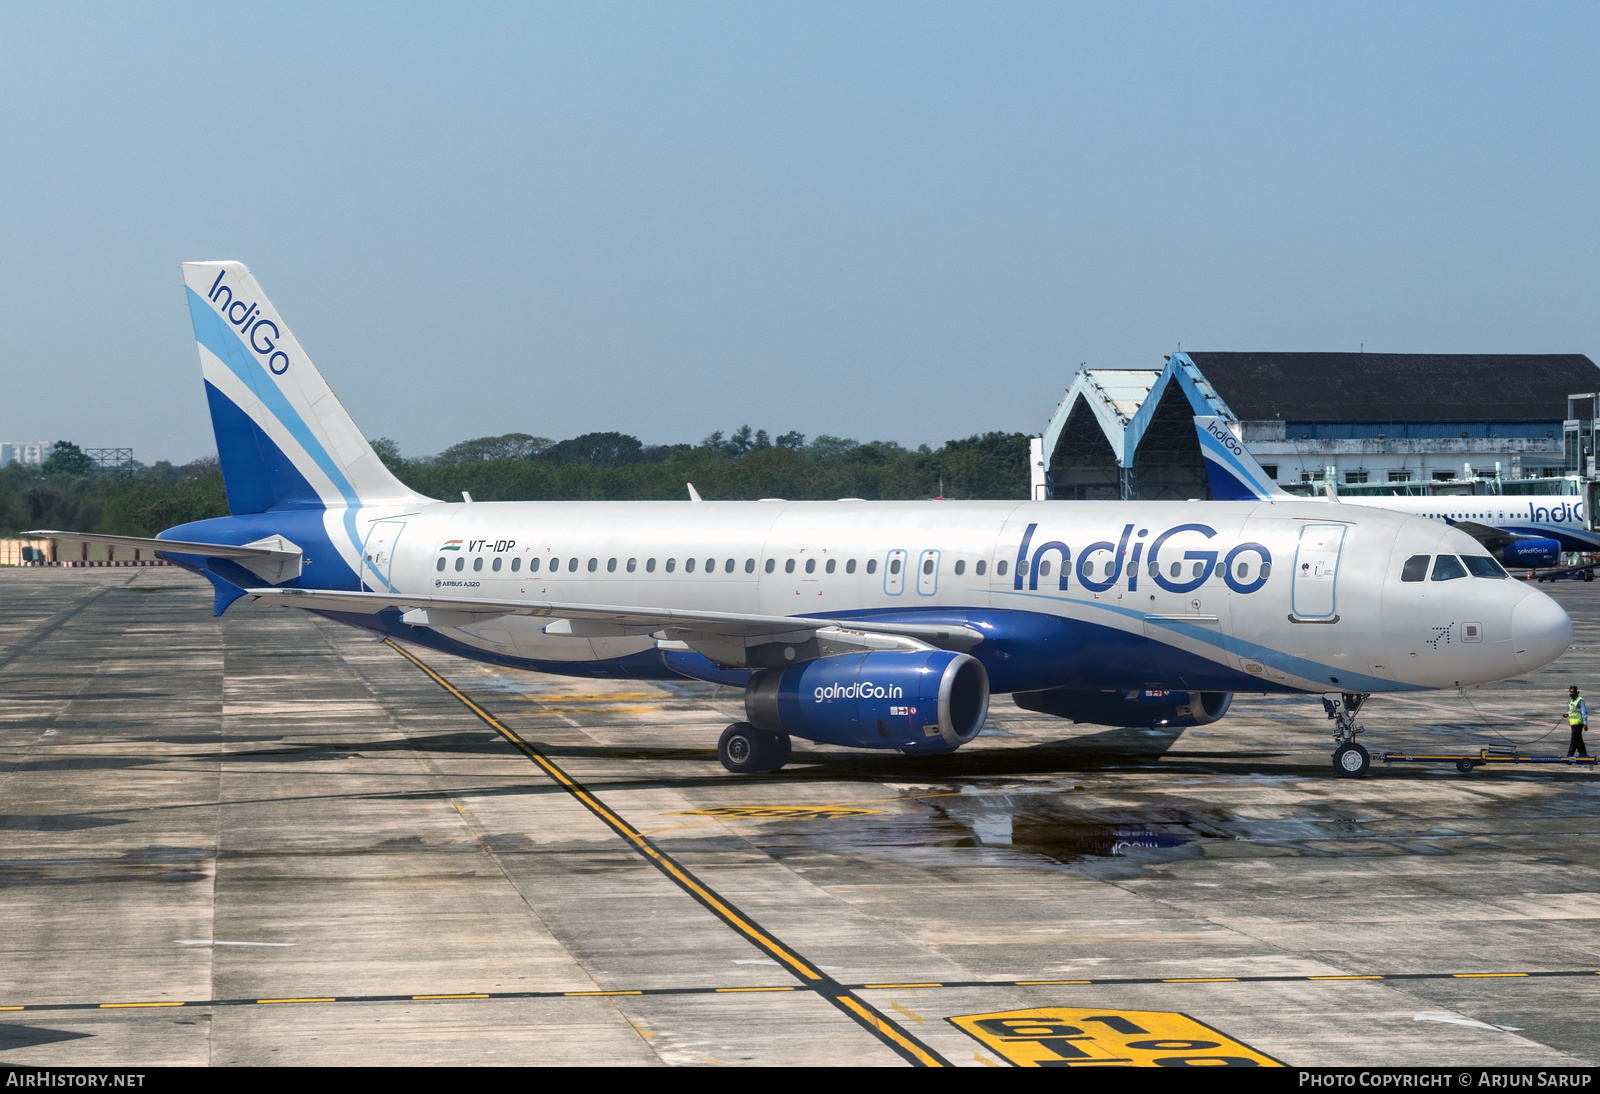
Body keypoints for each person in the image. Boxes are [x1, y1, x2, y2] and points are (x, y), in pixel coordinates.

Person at [1567, 686, 1588, 758]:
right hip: (1573, 723)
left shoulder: (1579, 700)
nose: (1571, 693)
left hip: (1578, 723)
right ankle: (1583, 755)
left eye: (1573, 692)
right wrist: (1567, 714)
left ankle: (1569, 757)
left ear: (1577, 692)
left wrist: (1585, 723)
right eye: (1570, 692)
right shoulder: (1571, 700)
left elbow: (1584, 712)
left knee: (1574, 740)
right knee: (1579, 740)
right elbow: (1572, 711)